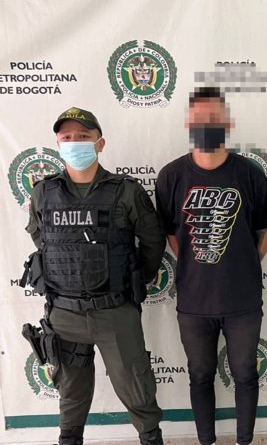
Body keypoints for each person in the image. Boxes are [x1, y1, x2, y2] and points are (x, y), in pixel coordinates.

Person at [23, 107, 166, 445]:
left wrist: (134, 280)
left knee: (137, 388)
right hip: (63, 312)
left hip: (114, 310)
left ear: (100, 144)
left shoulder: (126, 190)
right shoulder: (43, 191)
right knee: (70, 394)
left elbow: (152, 241)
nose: (75, 142)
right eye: (67, 137)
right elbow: (41, 239)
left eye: (84, 136)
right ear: (58, 143)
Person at [155, 87, 267, 445]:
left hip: (243, 301)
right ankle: (206, 441)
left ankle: (244, 441)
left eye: (214, 118)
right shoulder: (171, 176)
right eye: (199, 118)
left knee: (245, 374)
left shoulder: (250, 174)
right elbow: (172, 235)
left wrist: (243, 266)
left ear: (227, 123)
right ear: (188, 123)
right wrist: (200, 267)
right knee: (200, 375)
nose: (207, 124)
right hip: (194, 302)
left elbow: (265, 232)